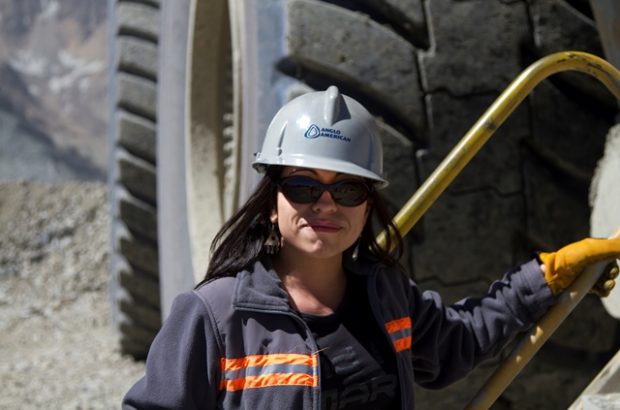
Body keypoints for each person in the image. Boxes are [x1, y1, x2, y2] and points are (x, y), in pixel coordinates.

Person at [123, 86, 620, 409]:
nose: (324, 204)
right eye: (302, 186)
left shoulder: (386, 296)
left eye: (347, 189)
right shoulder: (213, 316)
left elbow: (460, 342)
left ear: (367, 206)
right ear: (271, 201)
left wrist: (549, 276)